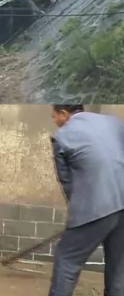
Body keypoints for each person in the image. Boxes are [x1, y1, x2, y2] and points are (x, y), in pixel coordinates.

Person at [49, 105, 124, 296]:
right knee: (119, 265)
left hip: (96, 206)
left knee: (67, 260)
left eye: (55, 116)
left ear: (64, 114)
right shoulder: (114, 122)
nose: (55, 121)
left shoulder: (62, 136)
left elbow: (68, 184)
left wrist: (80, 217)